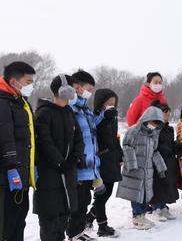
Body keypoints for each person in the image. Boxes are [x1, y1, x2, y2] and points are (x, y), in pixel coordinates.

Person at [0, 61, 37, 241]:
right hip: (4, 178)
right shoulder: (1, 103)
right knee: (2, 229)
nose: (31, 86)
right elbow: (1, 138)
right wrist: (11, 167)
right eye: (28, 82)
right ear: (14, 82)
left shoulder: (20, 103)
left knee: (17, 224)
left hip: (20, 177)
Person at [33, 74, 85, 241]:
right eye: (73, 87)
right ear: (64, 89)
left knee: (63, 219)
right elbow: (44, 141)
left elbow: (79, 139)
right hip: (49, 175)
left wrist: (72, 160)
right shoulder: (44, 113)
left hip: (68, 174)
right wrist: (59, 162)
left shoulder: (68, 112)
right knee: (50, 222)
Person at [116, 106, 167, 230]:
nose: (154, 125)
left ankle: (142, 215)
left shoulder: (153, 134)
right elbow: (127, 146)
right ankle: (136, 216)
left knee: (145, 194)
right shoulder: (133, 130)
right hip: (135, 169)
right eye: (153, 122)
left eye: (157, 123)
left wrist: (161, 167)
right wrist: (132, 164)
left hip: (147, 170)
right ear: (146, 118)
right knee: (135, 194)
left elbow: (154, 151)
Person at [66, 70, 103, 241]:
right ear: (78, 87)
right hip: (78, 166)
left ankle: (79, 232)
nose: (89, 93)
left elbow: (90, 133)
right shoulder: (70, 108)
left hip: (89, 166)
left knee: (84, 201)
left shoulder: (85, 109)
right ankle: (73, 233)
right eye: (88, 89)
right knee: (77, 203)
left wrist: (103, 116)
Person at [86, 88, 122, 238]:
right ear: (100, 103)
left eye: (113, 104)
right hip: (101, 161)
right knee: (101, 194)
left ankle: (88, 218)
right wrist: (104, 117)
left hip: (112, 160)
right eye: (108, 104)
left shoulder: (113, 118)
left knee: (108, 193)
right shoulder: (94, 117)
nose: (111, 106)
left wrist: (120, 155)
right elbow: (93, 131)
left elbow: (115, 138)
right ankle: (102, 225)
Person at [149, 103, 182, 221]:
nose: (167, 113)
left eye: (168, 111)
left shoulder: (169, 128)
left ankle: (163, 207)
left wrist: (177, 146)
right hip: (157, 161)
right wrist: (165, 149)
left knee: (167, 184)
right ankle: (156, 207)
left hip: (169, 161)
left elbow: (171, 142)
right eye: (164, 111)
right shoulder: (154, 127)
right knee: (158, 185)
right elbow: (153, 144)